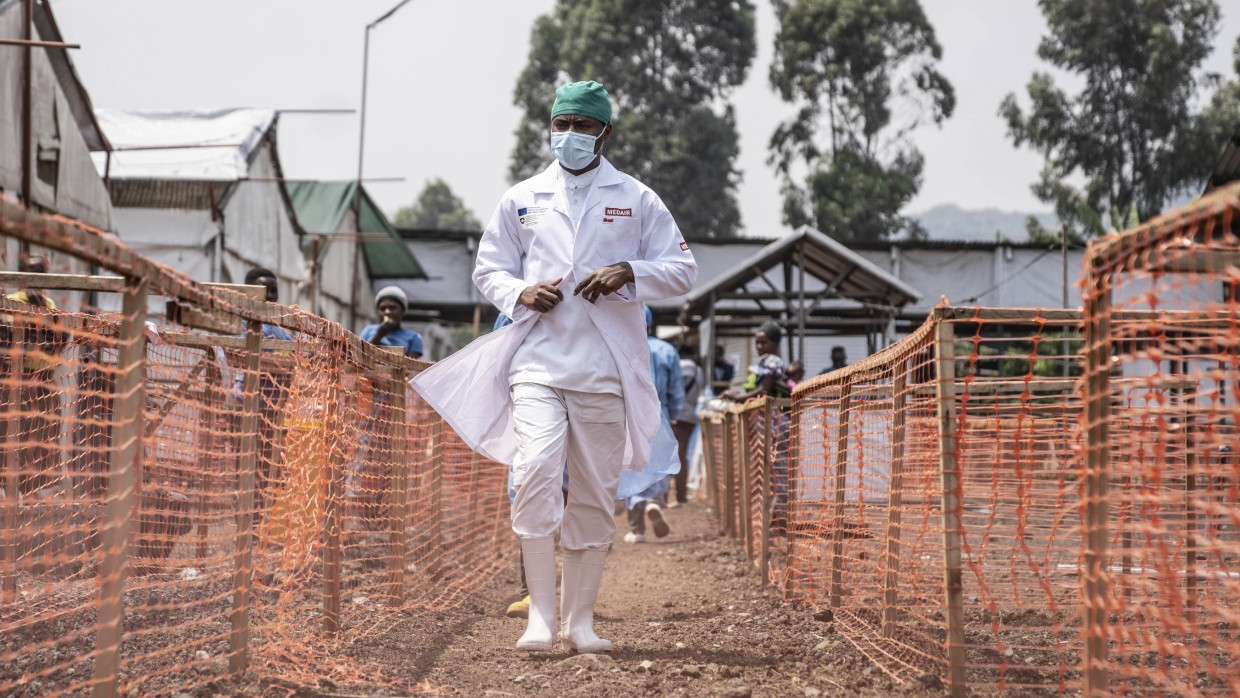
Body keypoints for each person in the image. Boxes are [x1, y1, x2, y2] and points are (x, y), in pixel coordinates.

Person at [412, 80, 696, 654]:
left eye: (582, 126)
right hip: (537, 363)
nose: (568, 135)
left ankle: (581, 622)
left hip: (607, 371)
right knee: (538, 469)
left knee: (594, 491)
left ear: (604, 133)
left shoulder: (637, 198)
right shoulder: (521, 198)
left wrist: (629, 272)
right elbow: (488, 268)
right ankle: (539, 617)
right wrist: (520, 293)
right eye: (560, 123)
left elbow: (683, 270)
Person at [2, 255, 68, 497]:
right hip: (18, 382)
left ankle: (33, 493)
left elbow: (59, 340)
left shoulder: (51, 306)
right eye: (32, 275)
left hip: (45, 383)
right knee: (16, 438)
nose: (36, 281)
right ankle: (12, 494)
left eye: (41, 275)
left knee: (43, 439)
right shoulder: (12, 303)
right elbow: (9, 341)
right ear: (22, 279)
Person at [234, 267, 294, 517]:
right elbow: (236, 353)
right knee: (246, 460)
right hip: (243, 402)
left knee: (270, 461)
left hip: (274, 406)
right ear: (248, 295)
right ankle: (246, 514)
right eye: (262, 291)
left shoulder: (281, 329)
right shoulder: (241, 325)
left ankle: (259, 514)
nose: (269, 296)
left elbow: (294, 355)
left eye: (273, 291)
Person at [721, 321, 791, 532]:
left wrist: (739, 397)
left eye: (764, 342)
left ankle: (781, 519)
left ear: (775, 343)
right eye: (757, 343)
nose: (760, 347)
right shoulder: (761, 362)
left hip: (774, 422)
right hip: (762, 422)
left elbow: (763, 391)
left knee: (778, 468)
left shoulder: (772, 362)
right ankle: (774, 517)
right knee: (767, 470)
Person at [622, 307, 684, 543]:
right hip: (661, 415)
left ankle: (637, 528)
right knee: (659, 463)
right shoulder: (667, 350)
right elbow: (676, 388)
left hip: (630, 415)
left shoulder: (623, 347)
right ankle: (655, 502)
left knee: (631, 465)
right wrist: (676, 415)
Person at [670, 343, 703, 507]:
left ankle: (663, 496)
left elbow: (671, 389)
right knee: (682, 455)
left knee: (671, 454)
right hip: (690, 416)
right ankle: (681, 495)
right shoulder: (698, 370)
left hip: (674, 415)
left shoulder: (676, 365)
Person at [360, 286, 423, 359]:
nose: (387, 312)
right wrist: (378, 335)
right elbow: (360, 356)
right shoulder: (369, 330)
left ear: (403, 310)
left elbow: (411, 366)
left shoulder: (414, 338)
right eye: (382, 308)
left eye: (392, 308)